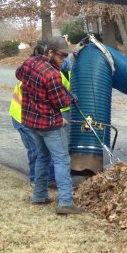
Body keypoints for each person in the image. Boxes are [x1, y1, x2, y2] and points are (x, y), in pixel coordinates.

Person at [15, 37, 83, 215]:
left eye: (65, 57)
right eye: (61, 57)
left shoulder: (30, 62)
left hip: (30, 122)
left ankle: (39, 196)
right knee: (62, 160)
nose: (63, 61)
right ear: (50, 52)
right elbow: (60, 102)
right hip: (49, 125)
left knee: (42, 157)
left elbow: (18, 74)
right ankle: (66, 202)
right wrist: (70, 97)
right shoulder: (52, 74)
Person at [9, 42, 56, 186]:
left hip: (28, 116)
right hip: (21, 118)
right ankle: (36, 180)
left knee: (45, 150)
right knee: (35, 150)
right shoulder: (33, 76)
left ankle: (50, 180)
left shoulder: (37, 71)